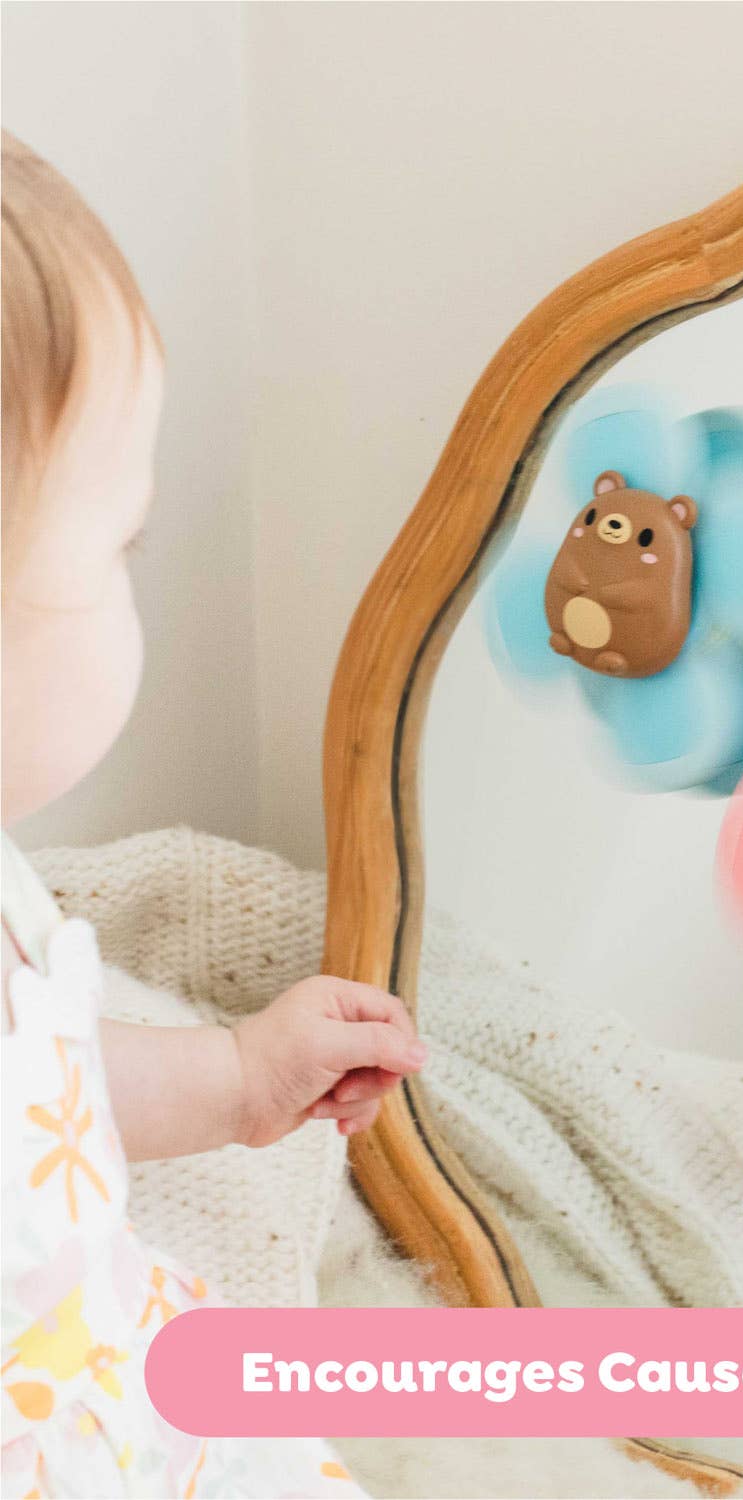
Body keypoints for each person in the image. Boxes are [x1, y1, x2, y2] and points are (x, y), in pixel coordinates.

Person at [1, 132, 423, 1498]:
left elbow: (42, 1095)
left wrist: (240, 1079)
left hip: (112, 1376)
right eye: (116, 545)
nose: (137, 584)